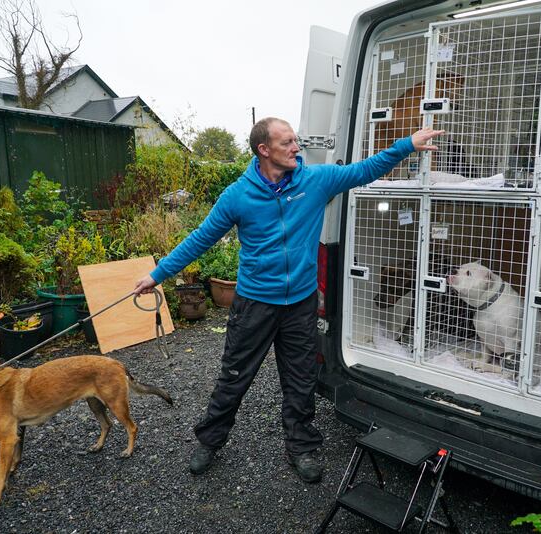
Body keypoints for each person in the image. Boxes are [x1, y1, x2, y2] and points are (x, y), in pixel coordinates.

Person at [134, 117, 443, 483]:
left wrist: (407, 144)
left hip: (299, 304)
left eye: (296, 140)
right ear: (264, 150)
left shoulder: (315, 181)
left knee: (300, 379)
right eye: (287, 142)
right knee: (234, 378)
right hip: (254, 305)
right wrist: (156, 275)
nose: (297, 147)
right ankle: (210, 441)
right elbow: (200, 239)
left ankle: (302, 447)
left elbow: (364, 170)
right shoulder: (237, 195)